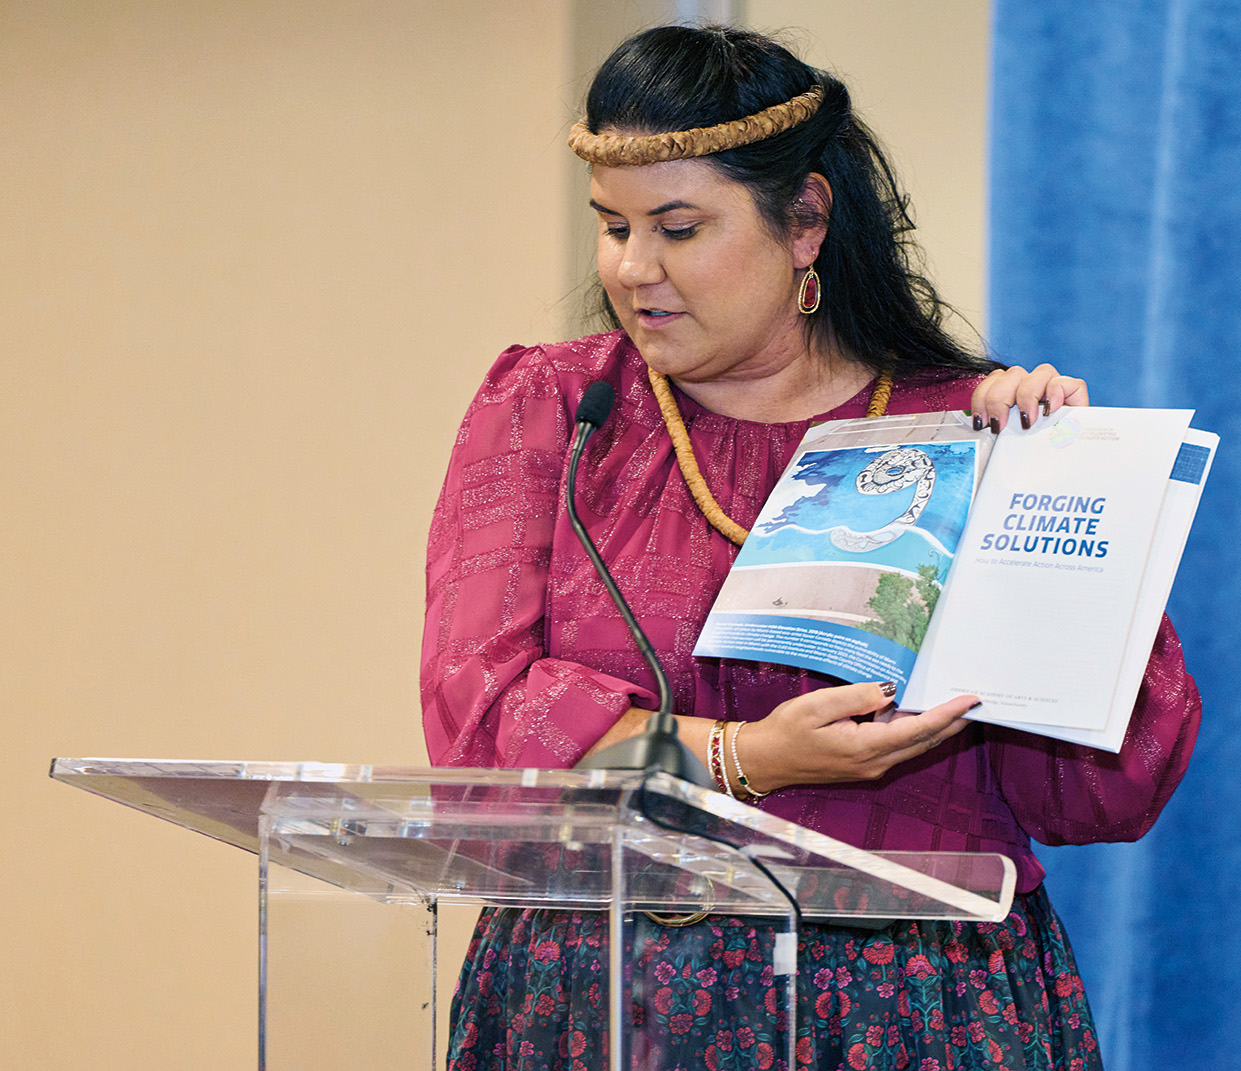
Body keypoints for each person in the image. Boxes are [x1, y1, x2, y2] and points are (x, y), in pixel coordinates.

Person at [421, 24, 1199, 1071]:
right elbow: (480, 717)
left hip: (909, 1013)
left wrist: (1064, 488)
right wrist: (745, 760)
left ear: (805, 222)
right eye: (612, 226)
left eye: (679, 228)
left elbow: (1102, 791)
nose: (632, 268)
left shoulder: (963, 429)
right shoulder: (559, 410)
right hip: (596, 1003)